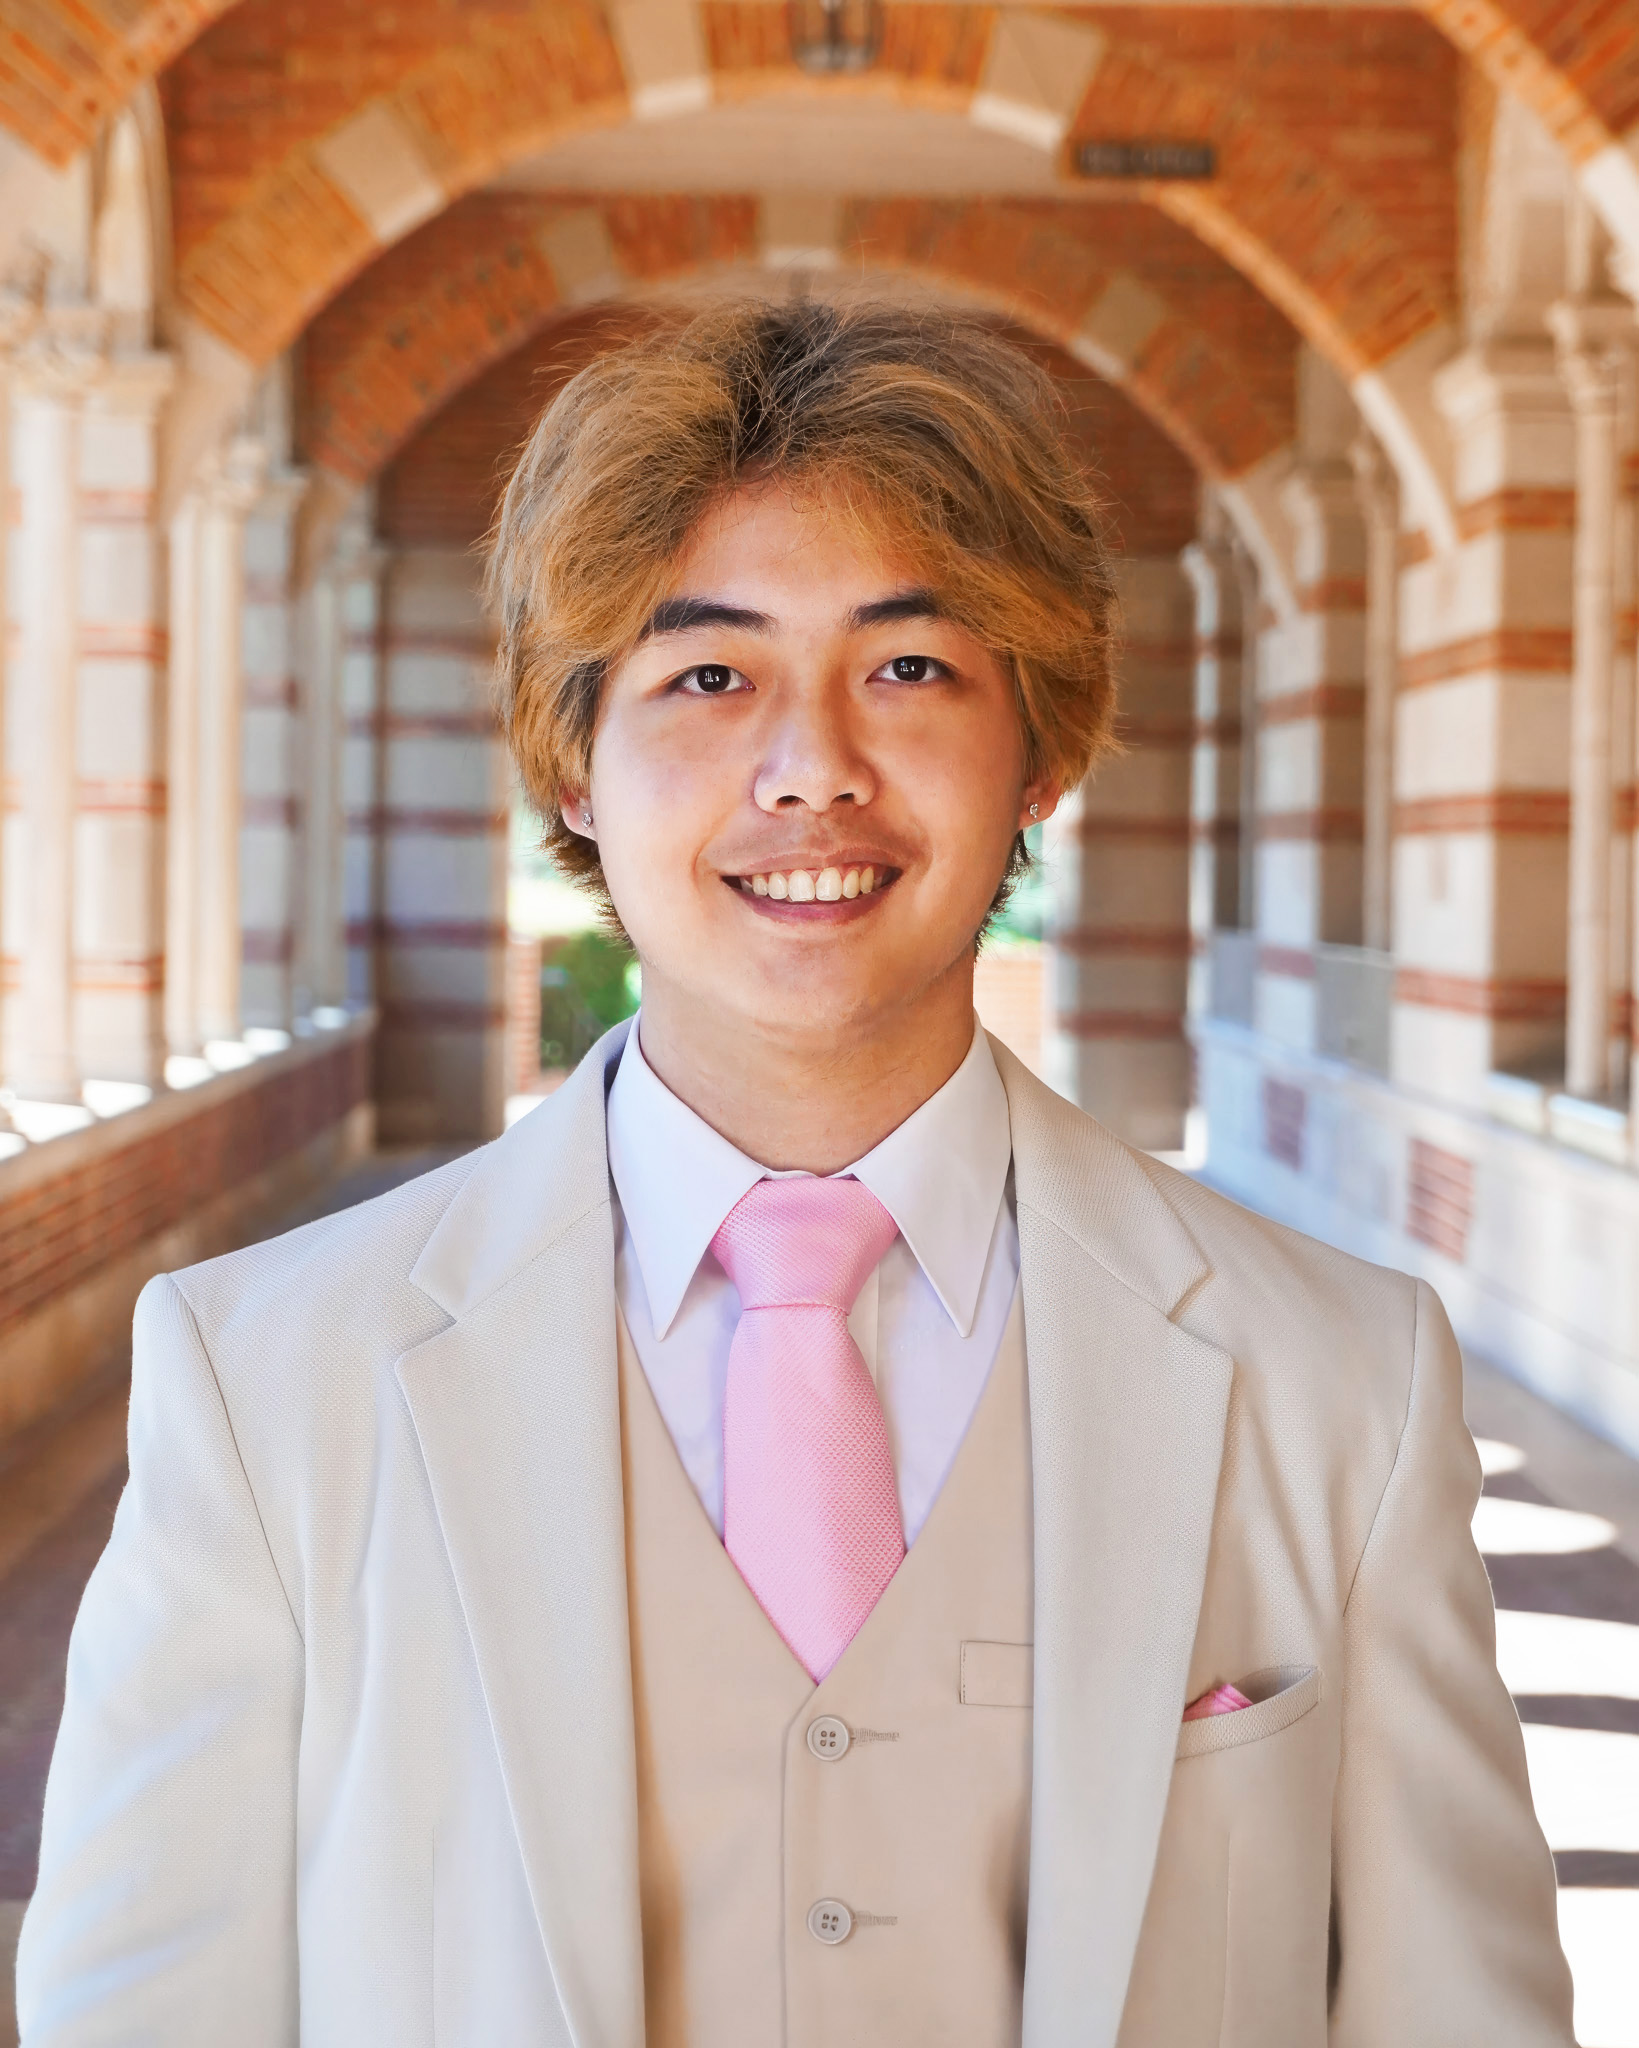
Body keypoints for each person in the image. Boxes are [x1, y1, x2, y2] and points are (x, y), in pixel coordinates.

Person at [18, 303, 1572, 2047]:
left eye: (909, 668)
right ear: (571, 764)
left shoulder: (1343, 1383)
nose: (812, 766)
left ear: (1041, 750)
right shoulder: (263, 1385)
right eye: (708, 674)